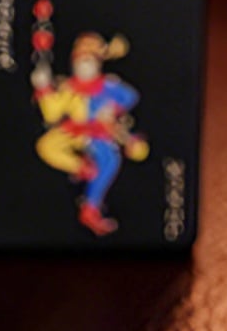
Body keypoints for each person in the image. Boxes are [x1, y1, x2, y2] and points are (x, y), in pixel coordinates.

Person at [30, 32, 149, 236]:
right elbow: (52, 114)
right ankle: (82, 168)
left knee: (109, 159)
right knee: (45, 146)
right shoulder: (68, 88)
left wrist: (111, 107)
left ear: (98, 64)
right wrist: (44, 90)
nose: (84, 67)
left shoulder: (107, 85)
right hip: (74, 130)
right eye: (79, 62)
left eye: (89, 62)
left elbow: (130, 97)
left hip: (98, 133)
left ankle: (90, 208)